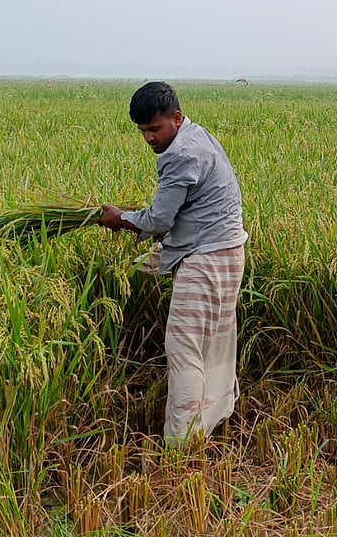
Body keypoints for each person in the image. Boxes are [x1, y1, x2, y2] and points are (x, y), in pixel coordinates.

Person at [99, 81, 248, 442]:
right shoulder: (198, 136)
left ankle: (182, 440)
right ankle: (212, 419)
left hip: (207, 258)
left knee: (183, 347)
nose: (149, 138)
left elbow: (160, 220)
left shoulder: (179, 154)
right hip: (228, 253)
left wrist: (121, 218)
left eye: (154, 129)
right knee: (214, 342)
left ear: (176, 118)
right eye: (143, 131)